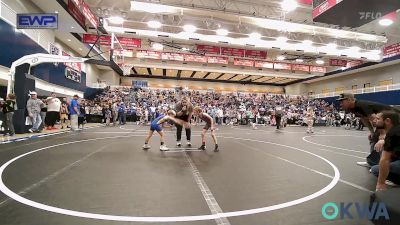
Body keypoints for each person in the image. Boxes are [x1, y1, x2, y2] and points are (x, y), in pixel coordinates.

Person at [370, 111, 400, 191]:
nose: (374, 120)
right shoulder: (396, 130)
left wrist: (381, 183)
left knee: (376, 170)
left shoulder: (392, 133)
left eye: (378, 119)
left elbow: (385, 160)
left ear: (387, 121)